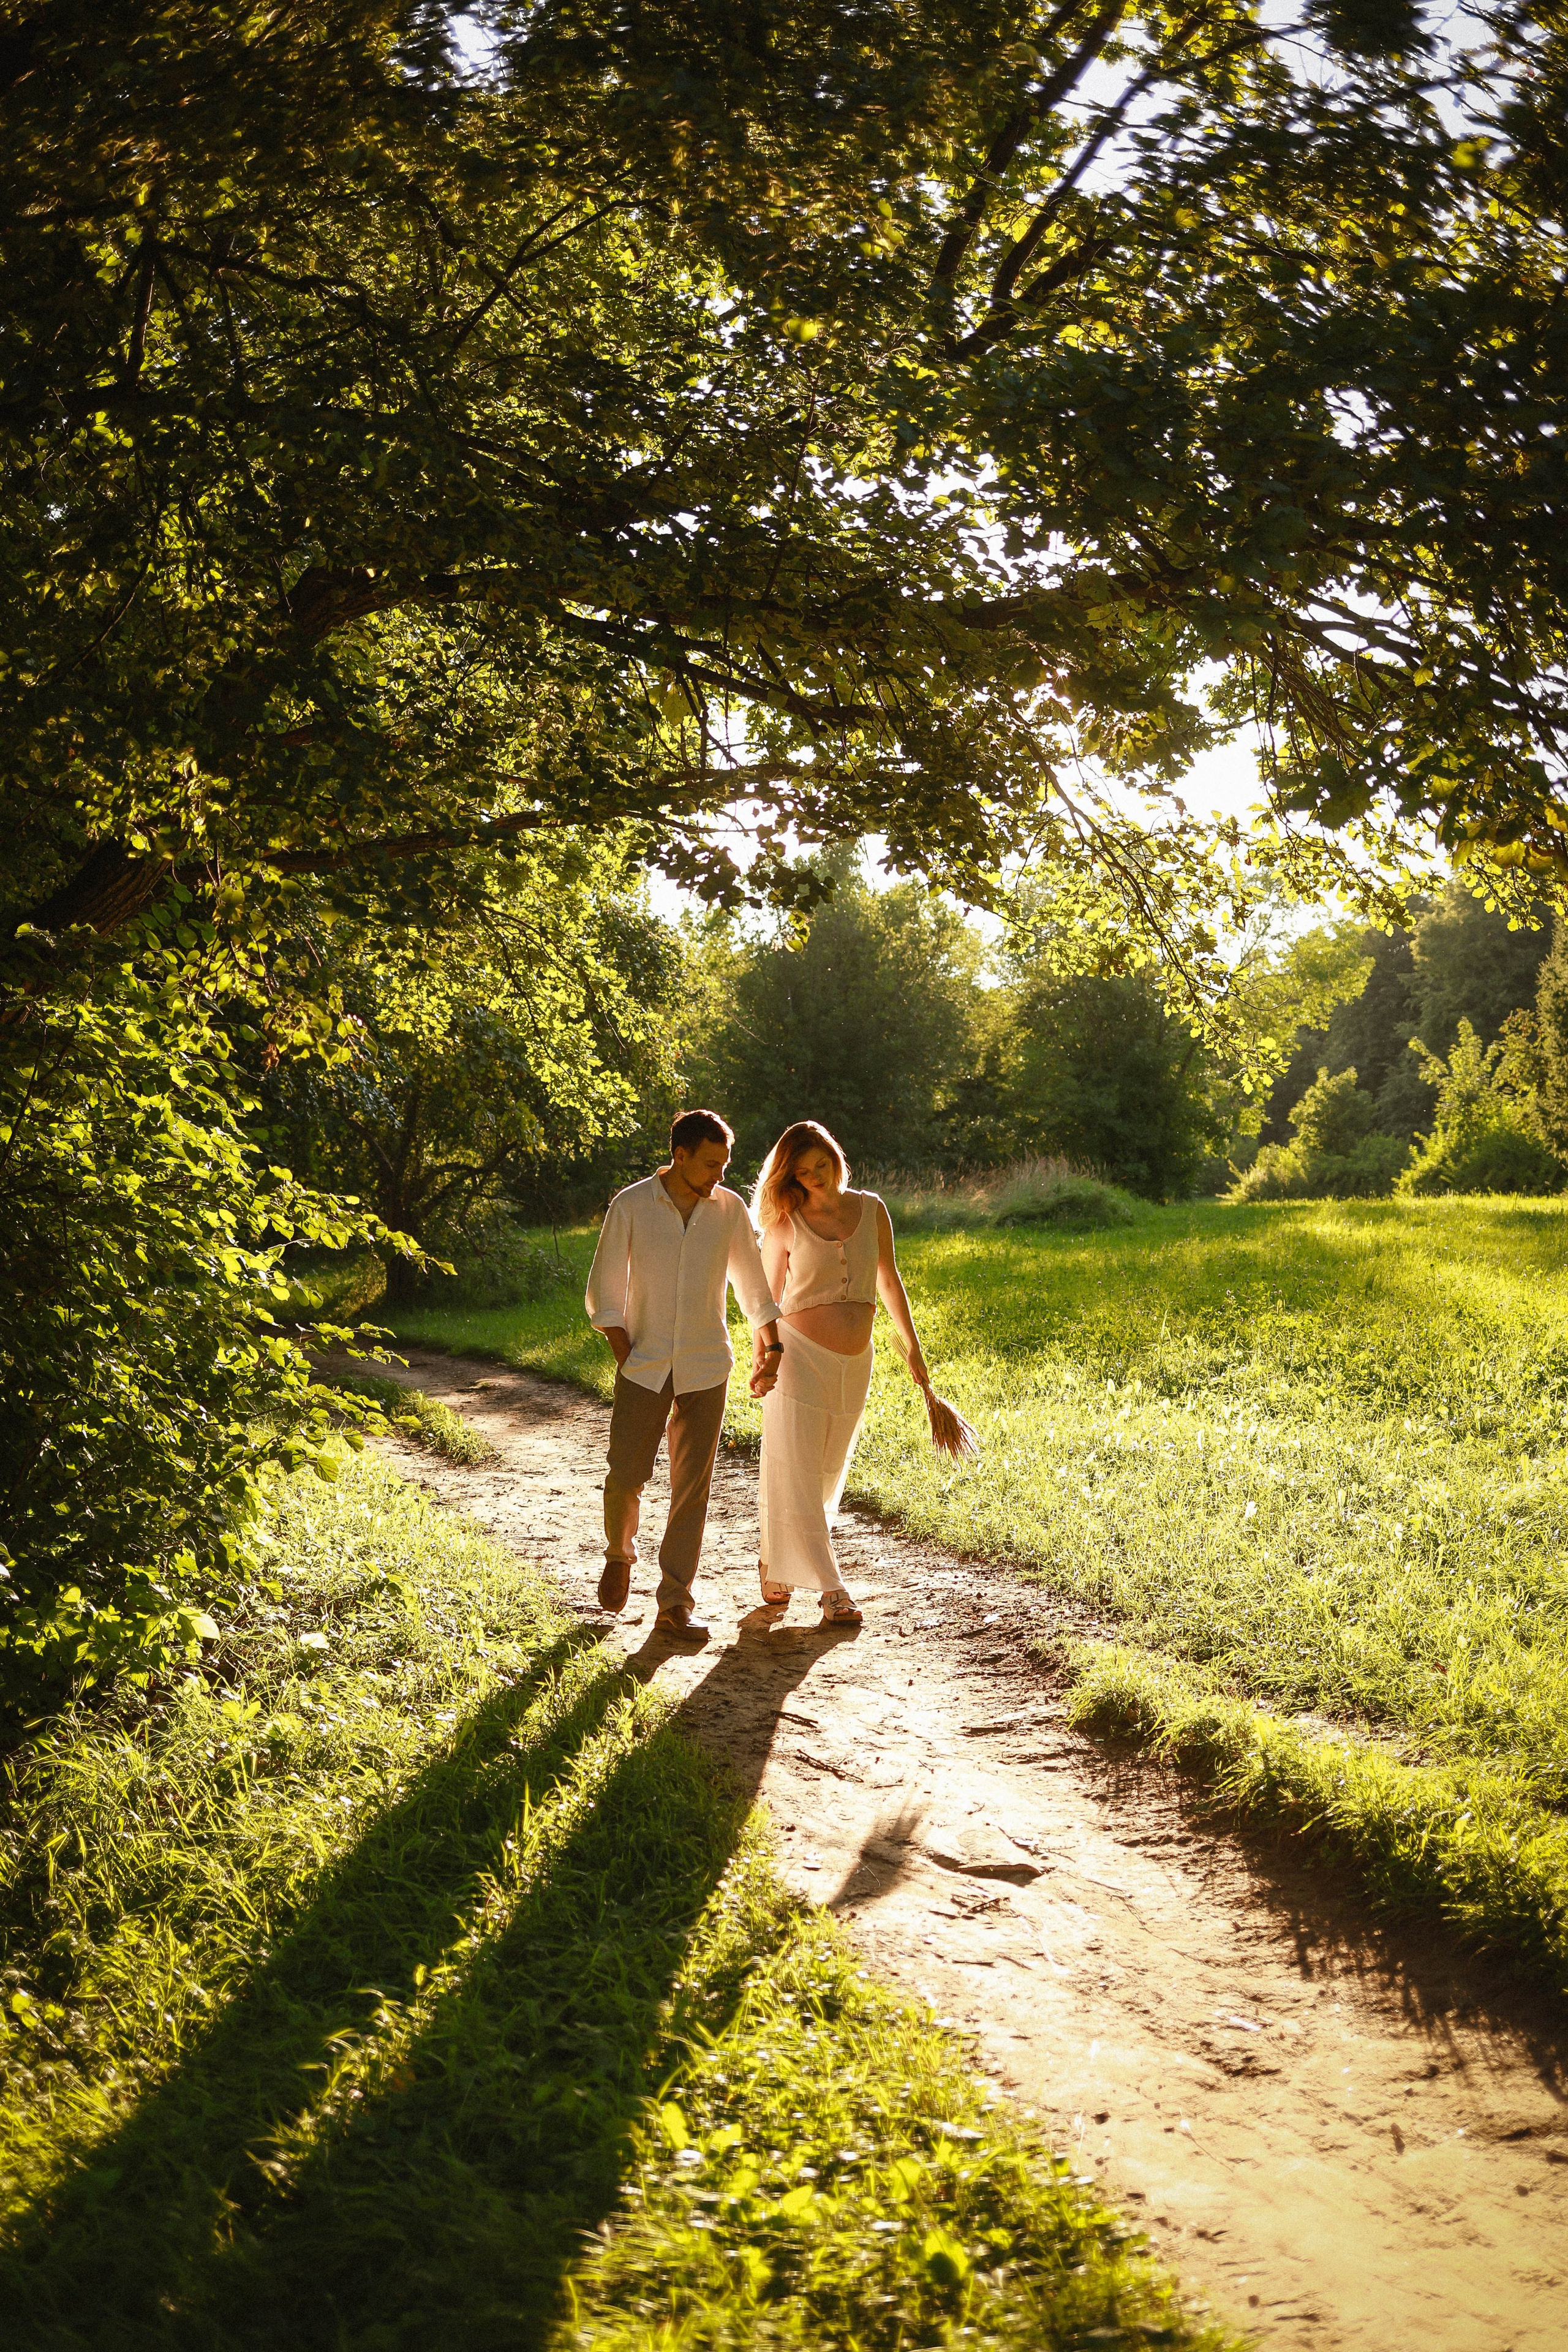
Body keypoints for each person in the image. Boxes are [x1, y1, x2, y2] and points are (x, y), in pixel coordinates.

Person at [584, 1108, 783, 1647]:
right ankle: (619, 1553)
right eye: (711, 1164)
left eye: (725, 1165)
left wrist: (774, 1345)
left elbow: (754, 1288)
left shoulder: (728, 1211)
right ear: (680, 1155)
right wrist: (626, 1354)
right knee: (626, 1474)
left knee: (691, 1490)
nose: (720, 1175)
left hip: (706, 1366)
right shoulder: (631, 1207)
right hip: (644, 1366)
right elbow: (605, 1291)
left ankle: (675, 1601)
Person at [751, 1119, 936, 1627]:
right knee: (798, 1468)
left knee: (827, 1470)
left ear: (836, 1158)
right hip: (798, 1355)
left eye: (822, 1166)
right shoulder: (786, 1223)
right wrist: (763, 1358)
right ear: (790, 1176)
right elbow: (762, 1299)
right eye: (803, 1172)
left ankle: (778, 1556)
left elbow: (889, 1278)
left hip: (858, 1359)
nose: (815, 1178)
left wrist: (913, 1348)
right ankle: (832, 1589)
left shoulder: (872, 1209)